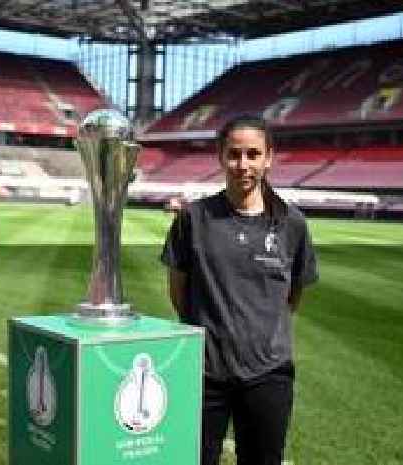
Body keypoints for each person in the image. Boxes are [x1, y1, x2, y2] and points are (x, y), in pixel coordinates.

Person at [161, 115, 318, 465]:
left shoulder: (292, 224)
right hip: (203, 372)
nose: (243, 164)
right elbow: (178, 292)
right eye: (234, 154)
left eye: (253, 154)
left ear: (269, 158)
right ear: (220, 157)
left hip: (269, 373)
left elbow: (292, 297)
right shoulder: (194, 219)